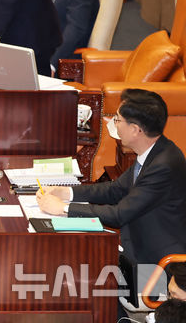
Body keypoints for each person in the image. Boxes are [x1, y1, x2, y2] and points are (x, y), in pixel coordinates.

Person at [37, 89, 186, 265]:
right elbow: (114, 189)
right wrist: (67, 193)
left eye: (117, 120)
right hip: (135, 245)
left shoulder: (164, 165)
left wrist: (63, 208)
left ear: (135, 130)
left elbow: (119, 214)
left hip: (156, 263)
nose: (114, 125)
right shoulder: (153, 151)